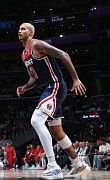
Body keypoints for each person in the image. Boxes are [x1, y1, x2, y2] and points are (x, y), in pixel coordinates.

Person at [16, 23, 91, 179]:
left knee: (36, 120)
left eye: (23, 29)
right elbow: (34, 77)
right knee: (57, 132)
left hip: (55, 86)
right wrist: (25, 87)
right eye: (19, 29)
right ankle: (79, 164)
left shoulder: (38, 44)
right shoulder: (24, 54)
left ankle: (53, 166)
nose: (19, 30)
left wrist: (75, 79)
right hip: (47, 89)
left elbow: (64, 55)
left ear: (31, 33)